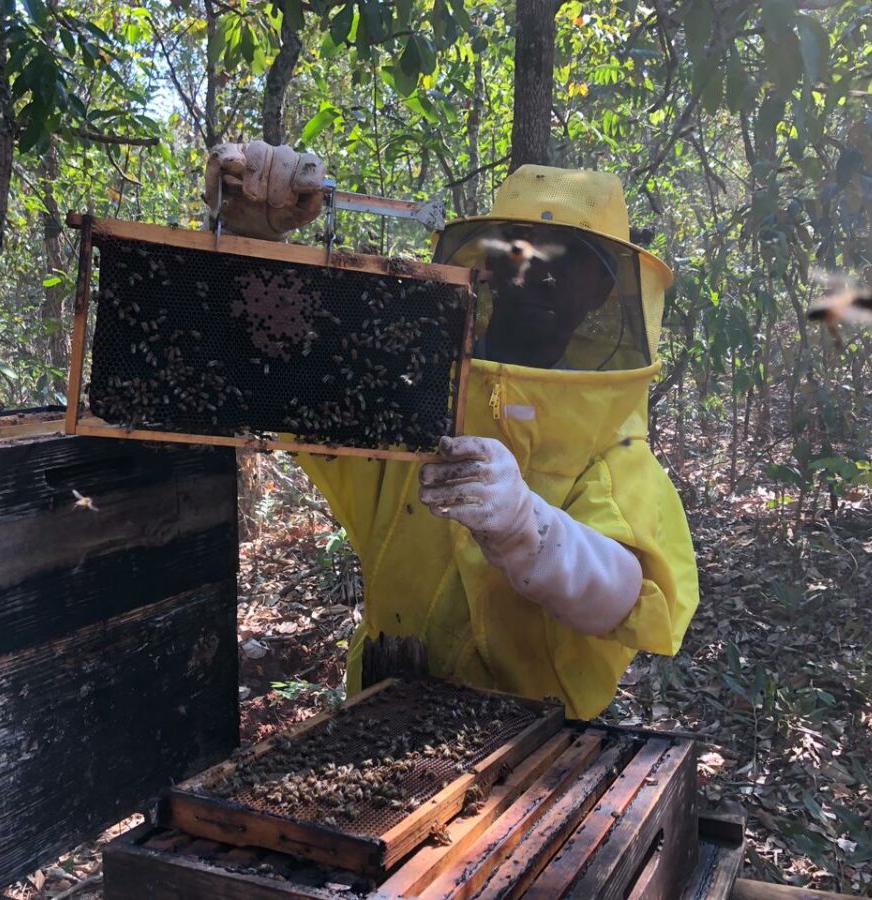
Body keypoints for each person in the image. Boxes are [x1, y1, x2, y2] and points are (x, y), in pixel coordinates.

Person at [205, 141, 698, 720]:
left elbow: (626, 595)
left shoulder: (609, 435)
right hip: (379, 714)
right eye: (522, 248)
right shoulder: (399, 385)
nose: (540, 271)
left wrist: (527, 526)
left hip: (538, 744)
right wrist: (252, 241)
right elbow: (266, 362)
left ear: (604, 289)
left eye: (570, 258)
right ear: (487, 264)